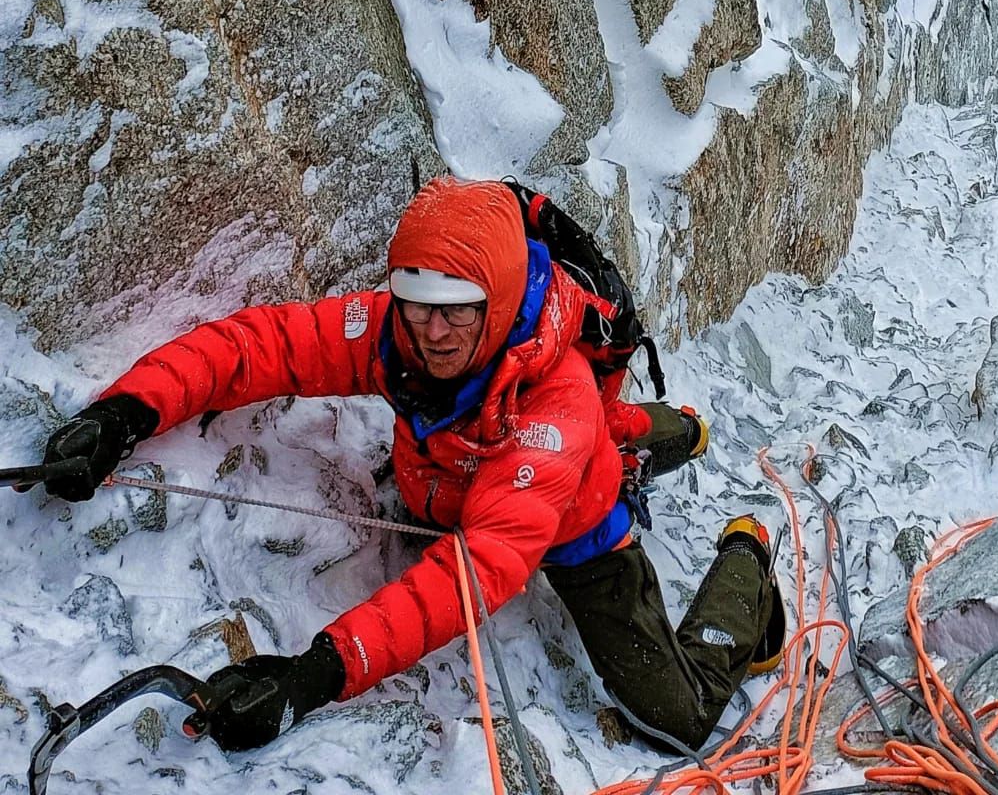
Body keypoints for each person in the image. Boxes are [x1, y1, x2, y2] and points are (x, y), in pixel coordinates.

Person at [40, 178, 784, 754]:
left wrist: (315, 674)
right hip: (489, 478)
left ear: (493, 302)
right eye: (415, 302)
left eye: (456, 309)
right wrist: (124, 413)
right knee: (607, 436)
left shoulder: (553, 411)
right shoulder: (401, 329)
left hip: (570, 522)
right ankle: (673, 433)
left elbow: (478, 570)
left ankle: (746, 551)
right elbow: (259, 346)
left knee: (676, 718)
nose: (431, 332)